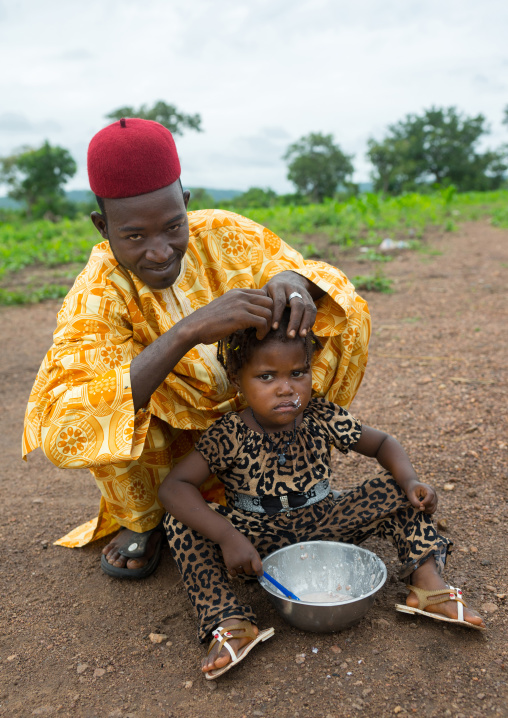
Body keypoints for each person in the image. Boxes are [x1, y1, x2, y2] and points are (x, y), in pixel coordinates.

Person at [22, 118, 371, 578]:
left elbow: (305, 274)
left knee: (341, 311)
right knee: (110, 401)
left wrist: (293, 280)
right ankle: (145, 519)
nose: (161, 250)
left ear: (186, 204)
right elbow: (67, 423)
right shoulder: (96, 293)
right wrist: (187, 332)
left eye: (173, 226)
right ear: (102, 226)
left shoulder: (226, 232)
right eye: (134, 236)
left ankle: (275, 474)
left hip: (253, 410)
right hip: (178, 440)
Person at [159, 308, 485, 680]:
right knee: (181, 524)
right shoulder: (228, 433)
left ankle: (427, 585)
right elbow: (174, 488)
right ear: (237, 379)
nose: (286, 388)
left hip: (327, 520)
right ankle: (231, 622)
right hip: (256, 544)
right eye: (266, 376)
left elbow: (382, 444)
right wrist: (227, 536)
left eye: (298, 373)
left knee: (395, 488)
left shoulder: (319, 414)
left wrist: (410, 481)